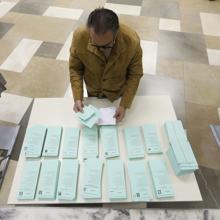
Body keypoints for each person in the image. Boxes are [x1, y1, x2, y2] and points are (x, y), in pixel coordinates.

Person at [69, 8, 143, 122]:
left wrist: (124, 104)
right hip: (93, 91)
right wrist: (77, 97)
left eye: (106, 46)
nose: (101, 50)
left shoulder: (131, 41)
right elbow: (75, 68)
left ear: (116, 33)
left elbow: (135, 74)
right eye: (94, 44)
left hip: (117, 93)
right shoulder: (80, 36)